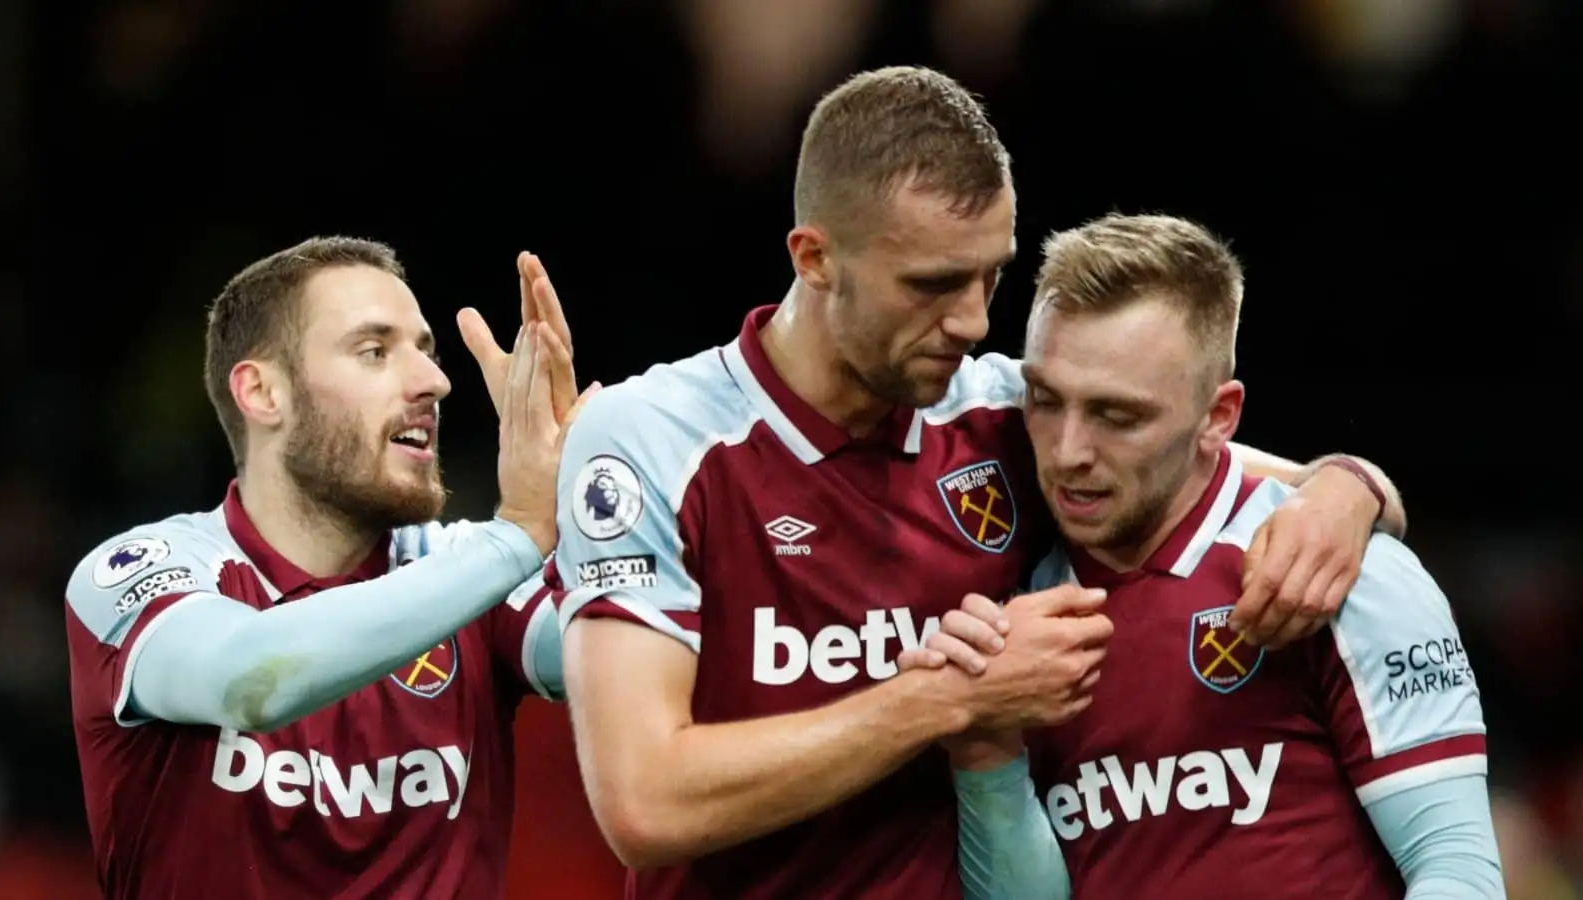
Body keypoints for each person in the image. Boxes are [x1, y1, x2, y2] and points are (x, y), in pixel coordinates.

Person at [551, 66, 1409, 899]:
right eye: (931, 283)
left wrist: (1350, 488)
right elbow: (644, 801)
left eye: (990, 274)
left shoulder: (1007, 413)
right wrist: (941, 700)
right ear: (814, 258)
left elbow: (1260, 482)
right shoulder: (652, 440)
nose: (972, 320)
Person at [908, 214, 1502, 899]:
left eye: (1117, 415)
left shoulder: (1339, 573)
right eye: (1045, 400)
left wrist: (1353, 484)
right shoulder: (1022, 619)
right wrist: (987, 759)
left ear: (1218, 418)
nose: (1069, 450)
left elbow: (1458, 874)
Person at [64, 237, 590, 899]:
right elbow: (245, 682)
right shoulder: (139, 572)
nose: (434, 382)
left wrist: (602, 508)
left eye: (425, 351)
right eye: (374, 351)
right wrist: (517, 536)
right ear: (262, 393)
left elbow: (651, 645)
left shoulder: (467, 573)